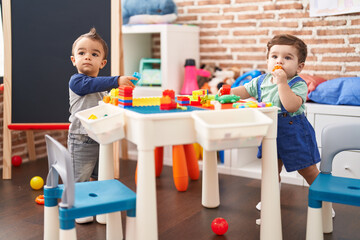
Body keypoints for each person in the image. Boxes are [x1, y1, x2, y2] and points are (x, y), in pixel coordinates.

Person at [221, 34, 331, 222]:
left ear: (299, 66)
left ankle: (326, 204)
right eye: (274, 56)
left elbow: (291, 106)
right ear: (267, 60)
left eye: (287, 57)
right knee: (271, 170)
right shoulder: (261, 81)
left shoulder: (298, 84)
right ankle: (271, 199)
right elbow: (245, 91)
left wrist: (281, 83)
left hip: (294, 132)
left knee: (308, 170)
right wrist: (228, 91)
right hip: (270, 132)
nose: (279, 61)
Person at [68, 28, 137, 223]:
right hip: (81, 139)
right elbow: (90, 85)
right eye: (81, 53)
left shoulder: (103, 87)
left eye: (94, 54)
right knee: (79, 178)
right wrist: (117, 81)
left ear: (102, 62)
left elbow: (106, 102)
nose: (87, 57)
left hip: (100, 137)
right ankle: (79, 209)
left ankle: (100, 207)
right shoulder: (77, 81)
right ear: (74, 60)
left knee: (101, 177)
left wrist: (120, 92)